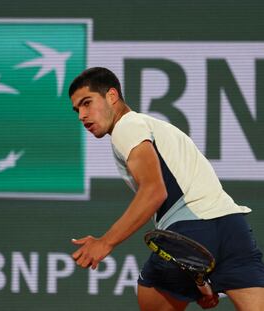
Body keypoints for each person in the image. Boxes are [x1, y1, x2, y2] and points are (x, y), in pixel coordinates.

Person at [68, 67, 264, 311]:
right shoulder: (157, 127)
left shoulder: (126, 127)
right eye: (77, 109)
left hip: (189, 229)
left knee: (150, 298)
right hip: (233, 229)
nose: (81, 115)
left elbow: (154, 191)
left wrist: (105, 242)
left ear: (111, 95)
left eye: (87, 103)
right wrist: (201, 287)